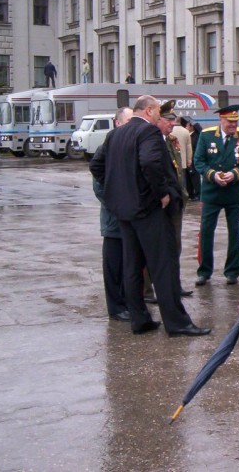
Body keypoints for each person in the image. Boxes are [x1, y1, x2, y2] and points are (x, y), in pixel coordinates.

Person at [89, 95, 210, 337]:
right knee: (162, 266)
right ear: (150, 110)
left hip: (125, 212)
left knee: (132, 266)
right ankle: (177, 323)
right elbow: (150, 163)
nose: (159, 117)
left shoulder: (115, 134)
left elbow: (97, 166)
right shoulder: (148, 133)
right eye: (157, 112)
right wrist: (162, 193)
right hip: (148, 210)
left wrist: (118, 191)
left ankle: (139, 319)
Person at [193, 104, 239, 287]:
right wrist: (213, 175)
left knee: (236, 232)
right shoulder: (207, 135)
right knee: (206, 232)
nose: (233, 126)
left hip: (234, 192)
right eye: (230, 122)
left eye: (235, 122)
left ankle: (232, 271)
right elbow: (199, 161)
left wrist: (236, 173)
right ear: (221, 119)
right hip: (212, 192)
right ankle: (204, 271)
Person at [92, 107, 133, 322]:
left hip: (129, 217)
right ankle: (116, 307)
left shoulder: (128, 146)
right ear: (117, 123)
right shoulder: (108, 146)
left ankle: (128, 302)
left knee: (129, 264)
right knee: (114, 265)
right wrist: (118, 206)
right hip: (113, 219)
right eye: (127, 121)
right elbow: (99, 185)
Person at [156, 100, 193, 299]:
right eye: (168, 120)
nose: (172, 124)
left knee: (175, 247)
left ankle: (174, 285)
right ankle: (147, 290)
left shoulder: (170, 140)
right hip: (161, 204)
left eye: (173, 120)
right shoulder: (153, 140)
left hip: (176, 201)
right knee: (156, 249)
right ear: (158, 119)